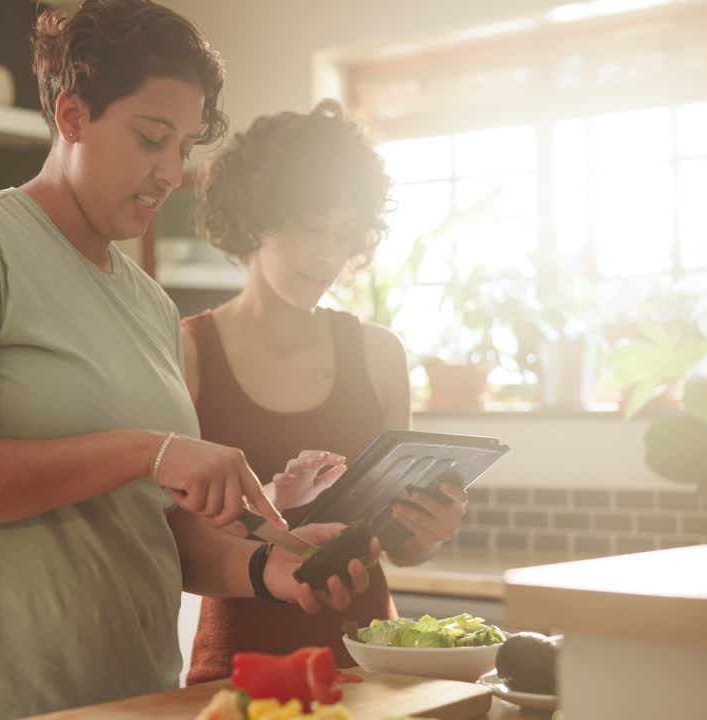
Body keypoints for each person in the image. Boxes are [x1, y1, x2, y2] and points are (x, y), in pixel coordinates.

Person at [0, 4, 382, 720]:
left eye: (185, 146)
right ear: (72, 116)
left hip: (134, 701)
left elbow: (152, 530)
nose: (171, 172)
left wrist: (268, 567)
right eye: (150, 138)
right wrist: (149, 451)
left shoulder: (148, 303)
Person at [182, 100, 470, 685]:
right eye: (311, 228)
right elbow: (179, 547)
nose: (328, 255)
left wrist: (429, 532)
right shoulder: (188, 353)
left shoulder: (379, 354)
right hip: (238, 666)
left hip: (373, 662)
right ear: (256, 216)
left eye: (344, 235)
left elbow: (399, 545)